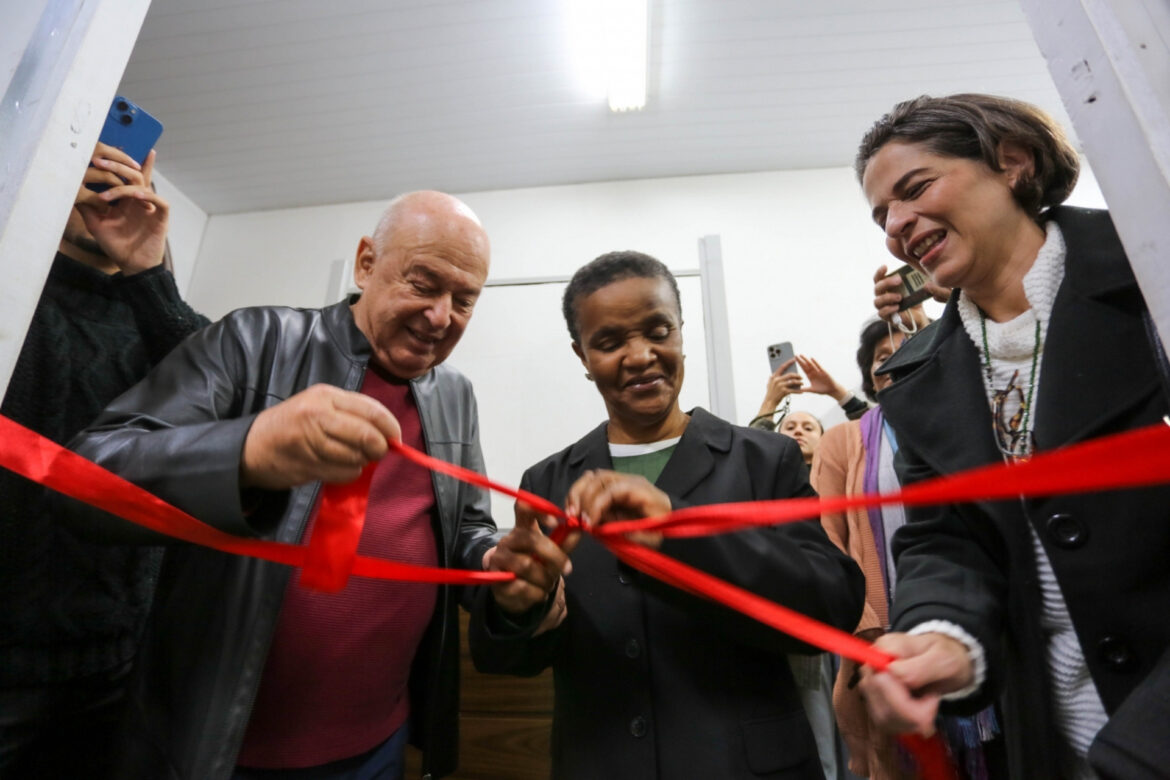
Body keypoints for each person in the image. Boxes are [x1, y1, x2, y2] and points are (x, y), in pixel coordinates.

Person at [63, 191, 568, 780]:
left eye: (464, 300)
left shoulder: (455, 394)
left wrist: (496, 564)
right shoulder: (253, 341)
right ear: (365, 264)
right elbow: (86, 476)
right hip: (220, 753)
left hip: (381, 747)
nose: (440, 316)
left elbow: (467, 529)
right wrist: (246, 452)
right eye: (424, 283)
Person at [853, 93, 1170, 778]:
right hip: (1062, 746)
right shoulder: (917, 380)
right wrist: (943, 637)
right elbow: (946, 540)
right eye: (883, 216)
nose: (898, 226)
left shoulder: (1153, 278)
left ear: (1013, 164)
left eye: (915, 189)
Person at [469, 250, 865, 779]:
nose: (639, 356)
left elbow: (828, 607)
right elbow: (508, 660)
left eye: (657, 331)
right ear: (582, 356)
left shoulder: (764, 460)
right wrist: (518, 609)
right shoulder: (547, 484)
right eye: (609, 343)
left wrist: (676, 536)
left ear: (681, 332)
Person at [0, 142, 208, 778]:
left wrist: (148, 270)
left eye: (128, 168)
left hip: (121, 669)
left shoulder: (163, 318)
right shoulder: (14, 293)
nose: (107, 181)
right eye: (87, 165)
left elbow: (219, 413)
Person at [813, 319, 1003, 780]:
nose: (896, 364)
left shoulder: (960, 426)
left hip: (975, 624)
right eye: (883, 359)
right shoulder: (844, 439)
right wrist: (866, 629)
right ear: (870, 377)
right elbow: (827, 535)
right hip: (882, 645)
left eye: (907, 352)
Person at [752, 355, 869, 431]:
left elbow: (874, 430)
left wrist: (838, 393)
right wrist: (770, 402)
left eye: (808, 428)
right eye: (790, 428)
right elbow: (753, 449)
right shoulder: (771, 468)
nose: (798, 431)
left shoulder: (840, 466)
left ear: (822, 439)